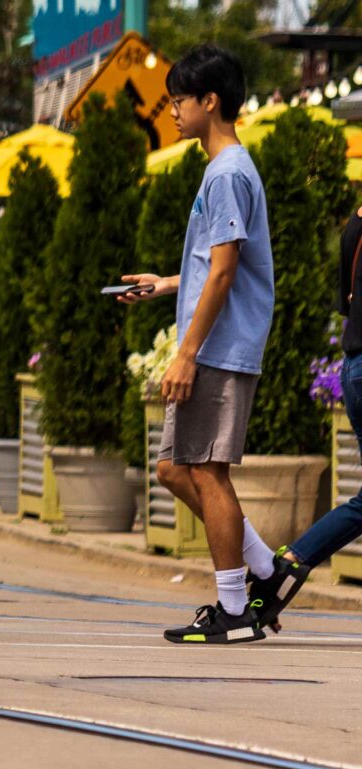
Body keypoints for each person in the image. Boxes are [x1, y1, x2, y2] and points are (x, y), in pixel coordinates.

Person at [121, 44, 277, 646]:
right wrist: (167, 283)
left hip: (217, 348)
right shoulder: (223, 170)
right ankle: (266, 570)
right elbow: (217, 263)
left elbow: (226, 270)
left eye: (178, 100)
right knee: (173, 468)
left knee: (208, 473)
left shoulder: (228, 172)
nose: (171, 111)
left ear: (210, 101)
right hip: (215, 343)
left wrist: (185, 353)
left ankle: (236, 608)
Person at [263, 198, 362, 623]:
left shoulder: (355, 224)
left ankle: (287, 565)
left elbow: (347, 303)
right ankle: (286, 565)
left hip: (354, 368)